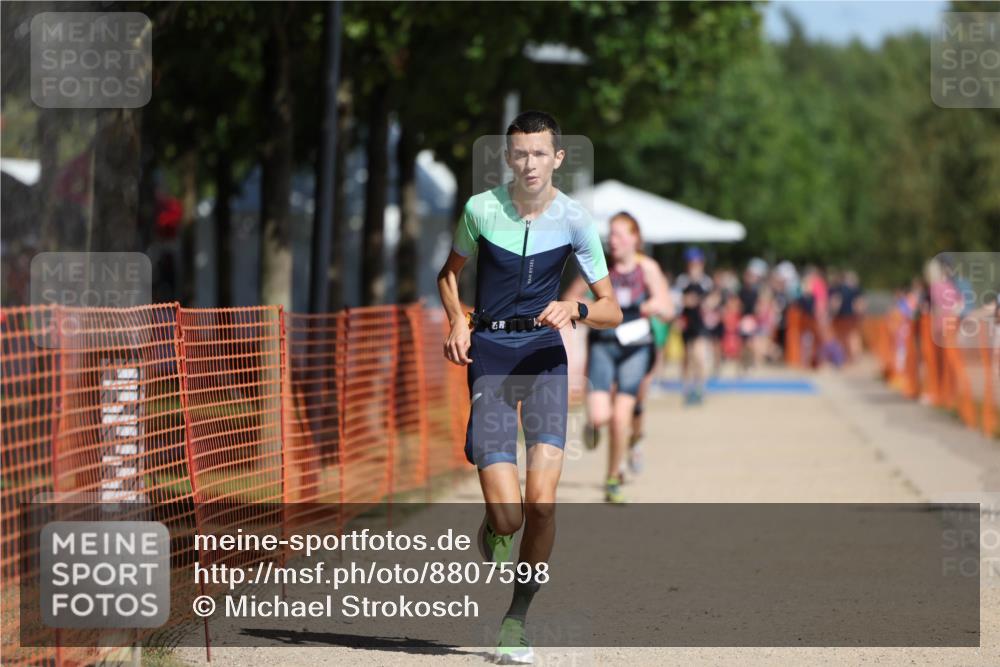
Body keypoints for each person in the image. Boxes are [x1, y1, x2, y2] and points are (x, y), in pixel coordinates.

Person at [437, 110, 621, 664]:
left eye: (540, 153)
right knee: (511, 516)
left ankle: (516, 622)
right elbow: (448, 275)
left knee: (541, 505)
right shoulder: (480, 210)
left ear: (558, 158)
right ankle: (495, 527)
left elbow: (612, 308)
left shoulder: (575, 220)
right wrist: (456, 320)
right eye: (520, 153)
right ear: (507, 158)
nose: (530, 162)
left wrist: (578, 306)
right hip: (491, 358)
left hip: (544, 359)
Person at [565, 212, 672, 502]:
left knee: (621, 416)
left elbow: (668, 306)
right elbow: (570, 298)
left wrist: (654, 305)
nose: (613, 240)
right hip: (603, 344)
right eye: (610, 234)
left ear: (635, 239)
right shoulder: (599, 267)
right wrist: (583, 307)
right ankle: (593, 425)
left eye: (619, 235)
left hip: (637, 347)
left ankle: (613, 477)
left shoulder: (647, 268)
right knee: (601, 415)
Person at [674, 247, 713, 405]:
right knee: (686, 358)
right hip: (686, 324)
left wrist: (702, 303)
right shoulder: (683, 280)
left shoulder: (705, 281)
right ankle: (686, 389)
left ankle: (700, 389)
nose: (694, 266)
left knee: (700, 356)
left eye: (696, 263)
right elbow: (677, 300)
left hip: (700, 324)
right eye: (691, 263)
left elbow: (711, 301)